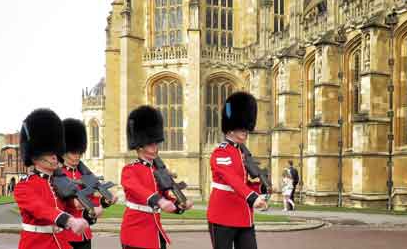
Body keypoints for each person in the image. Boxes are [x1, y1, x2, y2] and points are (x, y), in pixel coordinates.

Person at [120, 105, 193, 249]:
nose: (155, 148)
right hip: (135, 233)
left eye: (156, 144)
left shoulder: (159, 170)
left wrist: (180, 204)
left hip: (155, 232)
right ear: (140, 146)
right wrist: (158, 200)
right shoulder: (129, 170)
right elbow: (137, 189)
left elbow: (167, 193)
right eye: (150, 144)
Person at [15, 108, 89, 249]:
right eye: (49, 152)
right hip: (36, 244)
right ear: (35, 156)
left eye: (56, 151)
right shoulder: (24, 186)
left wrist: (88, 210)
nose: (55, 156)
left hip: (61, 242)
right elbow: (41, 209)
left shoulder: (58, 182)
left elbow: (72, 207)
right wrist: (69, 221)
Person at [207, 92, 268, 249]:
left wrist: (260, 187)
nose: (245, 132)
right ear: (230, 128)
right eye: (242, 128)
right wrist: (252, 197)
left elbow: (243, 182)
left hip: (243, 215)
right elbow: (231, 179)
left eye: (246, 128)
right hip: (223, 215)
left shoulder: (242, 153)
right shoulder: (220, 152)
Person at [60, 118, 118, 249]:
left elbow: (93, 198)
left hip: (85, 233)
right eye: (73, 152)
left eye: (79, 153)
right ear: (63, 152)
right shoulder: (58, 175)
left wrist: (106, 201)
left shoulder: (83, 173)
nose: (77, 157)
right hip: (66, 234)